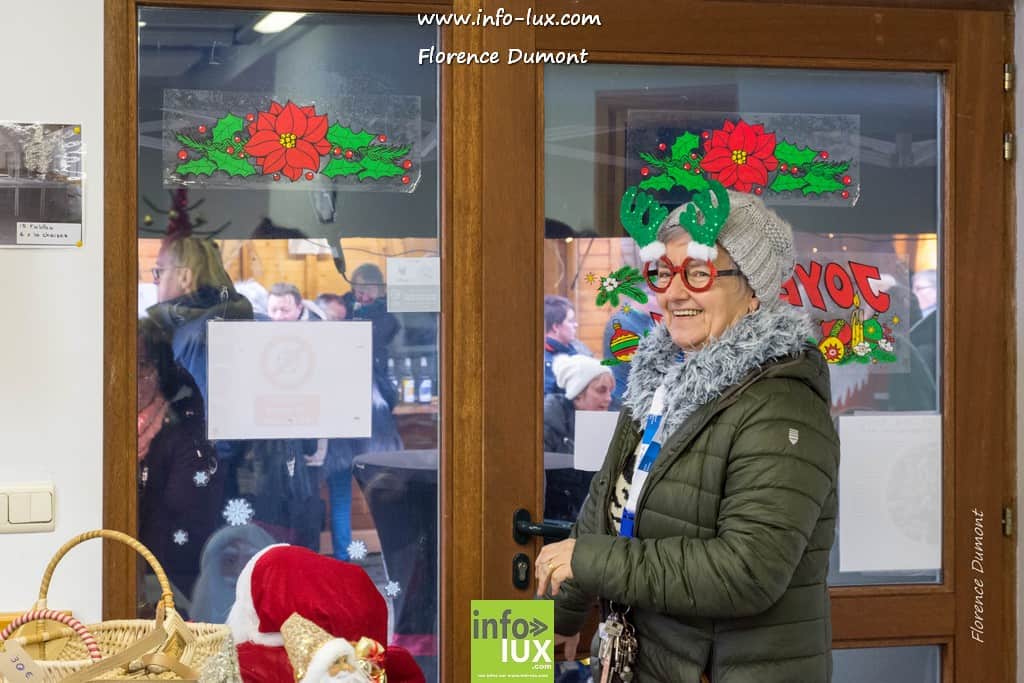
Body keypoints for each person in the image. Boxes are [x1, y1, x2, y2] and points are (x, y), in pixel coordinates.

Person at [536, 191, 840, 683]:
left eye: (698, 273)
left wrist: (590, 561)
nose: (674, 293)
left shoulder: (782, 404)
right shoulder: (659, 379)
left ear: (754, 288)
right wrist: (565, 614)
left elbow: (747, 572)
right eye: (664, 272)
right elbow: (607, 502)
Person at [136, 319, 224, 612]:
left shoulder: (182, 430)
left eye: (142, 366)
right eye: (127, 366)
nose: (133, 378)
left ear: (160, 372)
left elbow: (187, 508)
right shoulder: (112, 426)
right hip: (136, 570)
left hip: (171, 581)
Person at [146, 236, 254, 408]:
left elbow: (211, 417)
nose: (154, 280)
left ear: (184, 278)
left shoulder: (199, 338)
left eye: (159, 271)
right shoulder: (219, 323)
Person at [543, 354, 615, 522]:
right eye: (601, 390)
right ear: (578, 393)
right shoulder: (549, 420)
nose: (609, 399)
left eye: (610, 391)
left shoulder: (604, 421)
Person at [543, 295, 579, 395]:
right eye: (571, 321)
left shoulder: (573, 351)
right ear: (555, 327)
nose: (576, 325)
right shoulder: (545, 364)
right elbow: (547, 405)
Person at [909, 269, 938, 383]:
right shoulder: (915, 317)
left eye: (919, 288)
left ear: (937, 291)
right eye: (912, 289)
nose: (913, 294)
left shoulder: (938, 320)